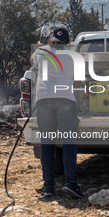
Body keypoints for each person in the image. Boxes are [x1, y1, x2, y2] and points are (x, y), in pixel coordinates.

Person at [31, 27, 84, 198]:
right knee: (69, 143)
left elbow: (32, 61)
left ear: (50, 40)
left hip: (44, 101)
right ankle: (71, 184)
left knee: (47, 144)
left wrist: (40, 46)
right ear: (68, 42)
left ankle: (48, 187)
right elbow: (77, 84)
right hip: (65, 100)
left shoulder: (41, 51)